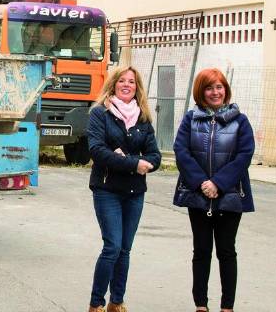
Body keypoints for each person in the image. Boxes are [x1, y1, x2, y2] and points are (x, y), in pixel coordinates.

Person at [172, 68, 254, 312]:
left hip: (230, 196)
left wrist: (218, 183)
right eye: (209, 87)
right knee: (202, 250)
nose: (215, 92)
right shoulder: (190, 119)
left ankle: (227, 306)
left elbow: (244, 155)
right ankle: (201, 305)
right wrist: (202, 184)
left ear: (225, 90)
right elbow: (181, 152)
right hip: (197, 196)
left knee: (227, 251)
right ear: (201, 91)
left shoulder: (240, 121)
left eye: (219, 87)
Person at [86, 65, 161, 312]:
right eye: (122, 81)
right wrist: (133, 162)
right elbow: (97, 150)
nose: (126, 85)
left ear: (136, 87)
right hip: (107, 189)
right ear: (114, 84)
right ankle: (96, 303)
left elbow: (155, 156)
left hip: (134, 193)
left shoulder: (143, 117)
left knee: (125, 249)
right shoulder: (100, 113)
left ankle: (116, 302)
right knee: (112, 247)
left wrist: (130, 160)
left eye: (131, 81)